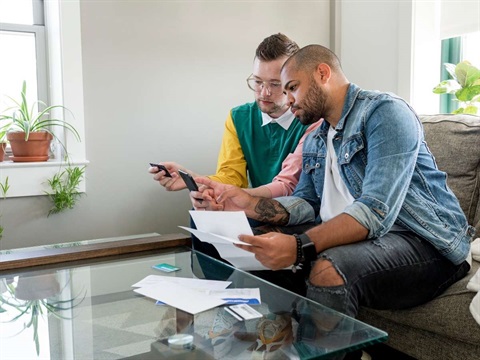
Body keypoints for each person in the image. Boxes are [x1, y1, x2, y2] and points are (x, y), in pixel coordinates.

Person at [194, 44, 474, 322]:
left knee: (329, 269)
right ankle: (266, 337)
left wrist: (299, 245)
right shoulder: (317, 138)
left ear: (322, 73)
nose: (288, 99)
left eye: (292, 87)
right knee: (257, 237)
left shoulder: (385, 113)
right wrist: (248, 204)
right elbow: (305, 202)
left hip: (426, 243)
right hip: (373, 238)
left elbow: (374, 211)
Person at [149, 33, 321, 200]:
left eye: (275, 84)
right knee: (203, 205)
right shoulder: (239, 118)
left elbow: (288, 185)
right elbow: (232, 177)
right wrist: (194, 180)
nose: (264, 92)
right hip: (255, 203)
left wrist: (236, 196)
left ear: (292, 82)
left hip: (297, 208)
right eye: (258, 81)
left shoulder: (311, 119)